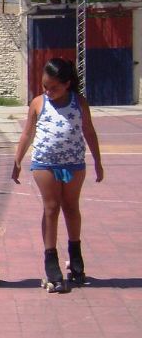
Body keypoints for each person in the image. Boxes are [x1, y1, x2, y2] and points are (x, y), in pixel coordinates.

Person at [12, 57, 103, 293]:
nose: (49, 91)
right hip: (45, 164)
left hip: (73, 163)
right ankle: (51, 259)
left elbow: (89, 131)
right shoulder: (38, 103)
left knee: (71, 207)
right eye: (45, 86)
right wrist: (17, 160)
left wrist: (98, 161)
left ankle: (75, 254)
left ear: (67, 84)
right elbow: (27, 134)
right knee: (51, 208)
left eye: (54, 87)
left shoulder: (79, 102)